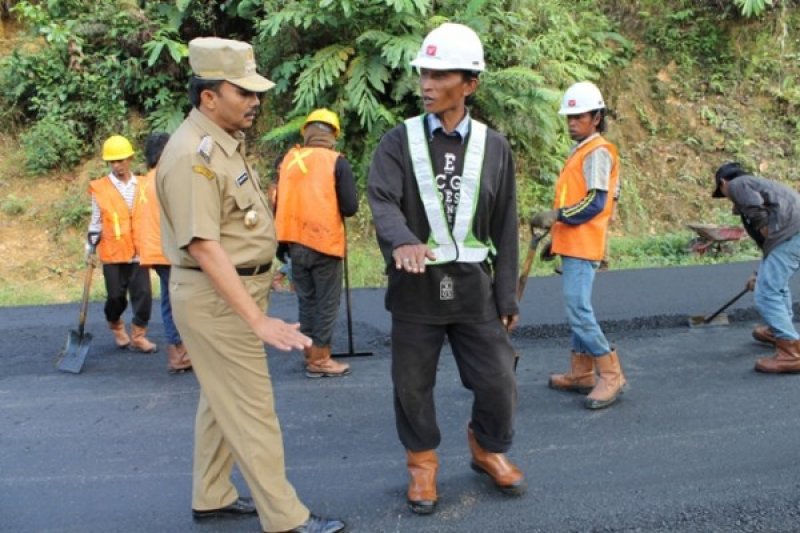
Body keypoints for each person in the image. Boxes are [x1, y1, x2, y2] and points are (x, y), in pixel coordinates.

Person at [155, 37, 345, 533]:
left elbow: (238, 227)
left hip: (231, 292)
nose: (255, 101)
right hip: (216, 299)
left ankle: (212, 494)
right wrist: (257, 320)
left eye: (255, 91)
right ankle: (285, 518)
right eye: (243, 91)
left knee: (221, 401)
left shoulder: (223, 142)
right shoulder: (192, 156)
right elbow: (203, 245)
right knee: (252, 407)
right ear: (209, 96)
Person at [367, 22, 525, 515]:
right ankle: (422, 466)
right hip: (417, 289)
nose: (427, 84)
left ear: (470, 84)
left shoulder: (495, 147)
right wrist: (404, 240)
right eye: (424, 74)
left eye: (440, 75)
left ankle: (487, 447)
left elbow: (505, 226)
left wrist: (507, 297)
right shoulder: (399, 142)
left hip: (474, 290)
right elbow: (382, 200)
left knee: (499, 379)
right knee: (412, 384)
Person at [530, 81, 625, 410]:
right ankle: (582, 372)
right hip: (573, 242)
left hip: (584, 244)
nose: (571, 122)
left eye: (578, 116)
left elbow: (595, 204)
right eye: (568, 116)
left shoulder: (598, 152)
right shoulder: (584, 150)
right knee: (576, 308)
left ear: (596, 117)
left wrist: (555, 215)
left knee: (578, 310)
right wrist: (556, 235)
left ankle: (610, 373)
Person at [275, 108, 358, 378]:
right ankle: (320, 360)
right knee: (326, 302)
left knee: (307, 300)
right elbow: (350, 207)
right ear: (333, 134)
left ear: (306, 132)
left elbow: (278, 200)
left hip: (294, 243)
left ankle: (309, 351)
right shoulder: (337, 161)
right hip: (325, 243)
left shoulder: (288, 159)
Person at [711, 162, 800, 373]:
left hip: (792, 235)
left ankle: (791, 354)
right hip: (791, 235)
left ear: (723, 183)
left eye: (722, 191)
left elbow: (757, 213)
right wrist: (758, 273)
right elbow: (769, 247)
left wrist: (763, 226)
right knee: (774, 285)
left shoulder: (738, 185)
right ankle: (778, 329)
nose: (726, 196)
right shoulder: (763, 185)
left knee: (767, 292)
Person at [88, 135, 157, 353]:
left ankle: (138, 335)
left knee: (144, 296)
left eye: (121, 160)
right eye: (113, 161)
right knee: (116, 297)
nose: (117, 165)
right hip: (113, 253)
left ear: (130, 159)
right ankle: (116, 324)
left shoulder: (144, 184)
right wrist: (89, 248)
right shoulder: (100, 188)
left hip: (138, 251)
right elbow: (96, 222)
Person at [133, 132, 192, 373]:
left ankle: (178, 352)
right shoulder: (168, 179)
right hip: (170, 250)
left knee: (171, 300)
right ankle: (179, 352)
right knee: (180, 301)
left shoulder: (145, 181)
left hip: (154, 251)